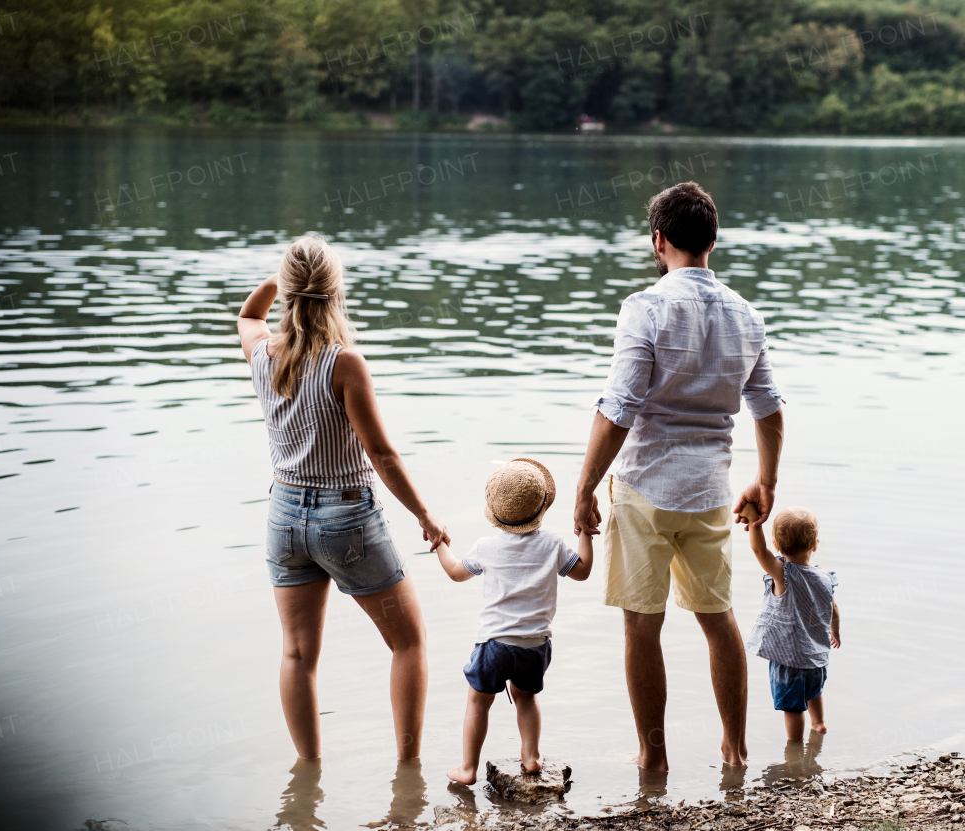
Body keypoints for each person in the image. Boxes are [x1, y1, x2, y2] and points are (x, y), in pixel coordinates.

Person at [573, 181, 785, 772]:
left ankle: (654, 755)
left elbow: (618, 407)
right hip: (710, 491)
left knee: (643, 627)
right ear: (713, 241)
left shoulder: (645, 308)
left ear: (658, 240)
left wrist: (586, 486)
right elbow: (766, 406)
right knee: (719, 620)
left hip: (645, 487)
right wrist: (766, 482)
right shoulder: (746, 314)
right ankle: (736, 749)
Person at [238, 234, 449, 762]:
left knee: (297, 653)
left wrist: (281, 284)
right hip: (346, 517)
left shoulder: (262, 352)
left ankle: (307, 778)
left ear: (289, 293)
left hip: (284, 517)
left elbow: (247, 316)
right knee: (409, 643)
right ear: (335, 294)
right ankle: (408, 776)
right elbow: (382, 453)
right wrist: (425, 514)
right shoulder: (344, 363)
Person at [432, 458, 593, 784]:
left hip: (494, 644)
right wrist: (585, 533)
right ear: (542, 507)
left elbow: (454, 573)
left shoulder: (485, 547)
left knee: (478, 701)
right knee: (526, 698)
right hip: (535, 645)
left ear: (496, 513)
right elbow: (584, 571)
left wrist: (440, 546)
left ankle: (467, 769)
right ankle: (531, 757)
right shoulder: (553, 545)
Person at [739, 503, 840, 743]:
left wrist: (754, 521)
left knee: (793, 707)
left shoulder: (783, 574)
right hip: (817, 656)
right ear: (815, 545)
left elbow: (758, 550)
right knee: (814, 692)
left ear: (776, 544)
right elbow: (833, 607)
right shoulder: (824, 577)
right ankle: (820, 724)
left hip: (790, 658)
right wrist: (834, 631)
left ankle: (794, 747)